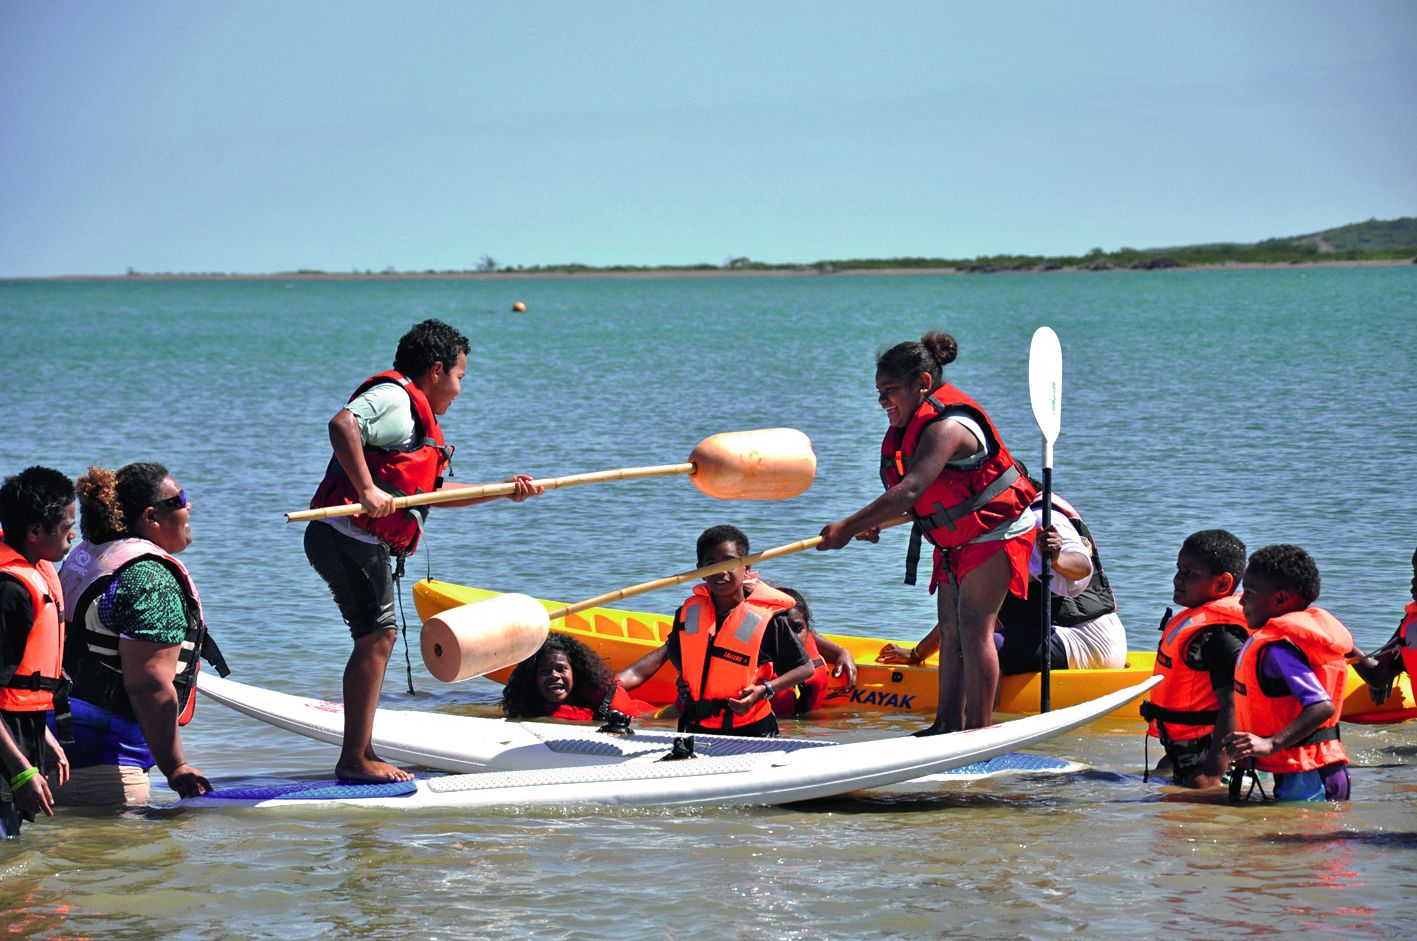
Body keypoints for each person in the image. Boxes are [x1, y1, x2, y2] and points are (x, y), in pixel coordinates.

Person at [306, 318, 541, 783]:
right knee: (377, 637)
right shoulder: (396, 399)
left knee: (378, 636)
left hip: (354, 540)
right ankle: (356, 758)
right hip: (344, 537)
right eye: (459, 377)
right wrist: (368, 489)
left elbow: (432, 492)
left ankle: (358, 752)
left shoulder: (413, 419)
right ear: (436, 370)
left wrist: (500, 490)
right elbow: (342, 424)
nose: (459, 390)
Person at [818, 330, 1038, 733]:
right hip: (956, 537)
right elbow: (928, 499)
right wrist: (874, 524)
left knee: (975, 628)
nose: (882, 400)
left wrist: (849, 526)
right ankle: (944, 726)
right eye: (879, 391)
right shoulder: (917, 424)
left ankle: (977, 732)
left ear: (922, 383)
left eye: (891, 390)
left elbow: (912, 489)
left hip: (997, 531)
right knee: (952, 630)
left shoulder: (947, 428)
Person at [57, 463, 228, 806]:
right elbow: (148, 684)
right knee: (134, 859)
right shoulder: (149, 578)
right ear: (151, 517)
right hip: (105, 770)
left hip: (52, 748)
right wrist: (175, 766)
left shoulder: (88, 556)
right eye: (179, 499)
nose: (188, 506)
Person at [879, 490, 1126, 675]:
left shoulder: (1040, 520)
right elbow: (965, 612)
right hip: (1068, 637)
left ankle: (982, 722)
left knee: (973, 649)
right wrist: (918, 654)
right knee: (981, 628)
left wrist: (1057, 559)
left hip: (1085, 641)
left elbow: (1082, 567)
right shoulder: (1009, 523)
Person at [619, 525, 815, 737]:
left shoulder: (768, 619)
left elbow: (805, 669)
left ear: (746, 567)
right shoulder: (688, 614)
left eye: (730, 562)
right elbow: (676, 650)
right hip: (695, 726)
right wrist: (684, 679)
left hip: (751, 728)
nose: (721, 571)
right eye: (711, 564)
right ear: (700, 570)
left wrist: (764, 691)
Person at [1224, 544, 1358, 802]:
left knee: (1302, 841)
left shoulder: (1278, 650)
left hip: (1309, 774)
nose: (1240, 601)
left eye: (1249, 594)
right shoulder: (1283, 640)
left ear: (1281, 600)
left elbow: (1322, 706)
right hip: (1308, 769)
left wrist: (1271, 744)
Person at [1139, 529, 1249, 788]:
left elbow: (1232, 705)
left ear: (1222, 583)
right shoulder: (1197, 627)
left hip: (1215, 766)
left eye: (1190, 573)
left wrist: (1212, 772)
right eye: (1178, 569)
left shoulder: (1220, 638)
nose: (1177, 579)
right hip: (1185, 754)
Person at [0, 467, 75, 837]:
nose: (73, 535)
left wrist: (44, 739)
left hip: (19, 735)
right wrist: (21, 769)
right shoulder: (10, 592)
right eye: (66, 527)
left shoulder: (35, 570)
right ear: (35, 532)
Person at [501, 632, 656, 721]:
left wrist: (670, 644)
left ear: (575, 673)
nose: (554, 675)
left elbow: (634, 674)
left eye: (561, 669)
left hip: (654, 718)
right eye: (545, 671)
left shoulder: (596, 692)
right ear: (533, 679)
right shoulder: (529, 708)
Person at [771, 587, 858, 716]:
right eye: (780, 629)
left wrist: (843, 653)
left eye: (797, 628)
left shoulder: (807, 639)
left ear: (807, 628)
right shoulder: (750, 661)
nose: (791, 637)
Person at [1351, 545, 1417, 705]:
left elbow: (1377, 678)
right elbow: (1378, 676)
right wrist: (1391, 667)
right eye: (1414, 573)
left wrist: (1343, 643)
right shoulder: (1411, 623)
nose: (1413, 581)